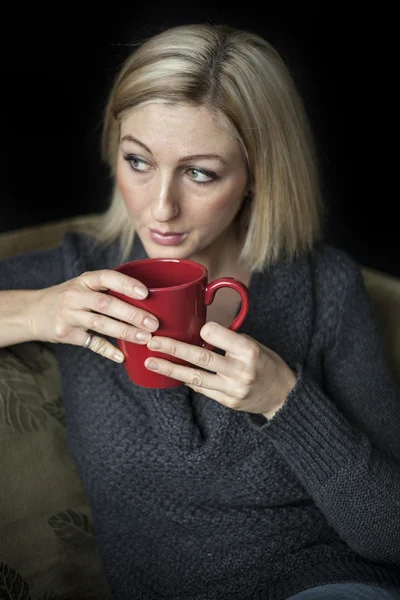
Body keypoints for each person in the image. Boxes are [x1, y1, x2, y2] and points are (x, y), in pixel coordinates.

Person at [0, 22, 399, 600]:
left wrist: (283, 400)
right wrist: (38, 311)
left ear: (257, 175)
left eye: (199, 173)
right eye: (138, 162)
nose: (161, 207)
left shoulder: (324, 286)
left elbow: (392, 534)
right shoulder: (81, 272)